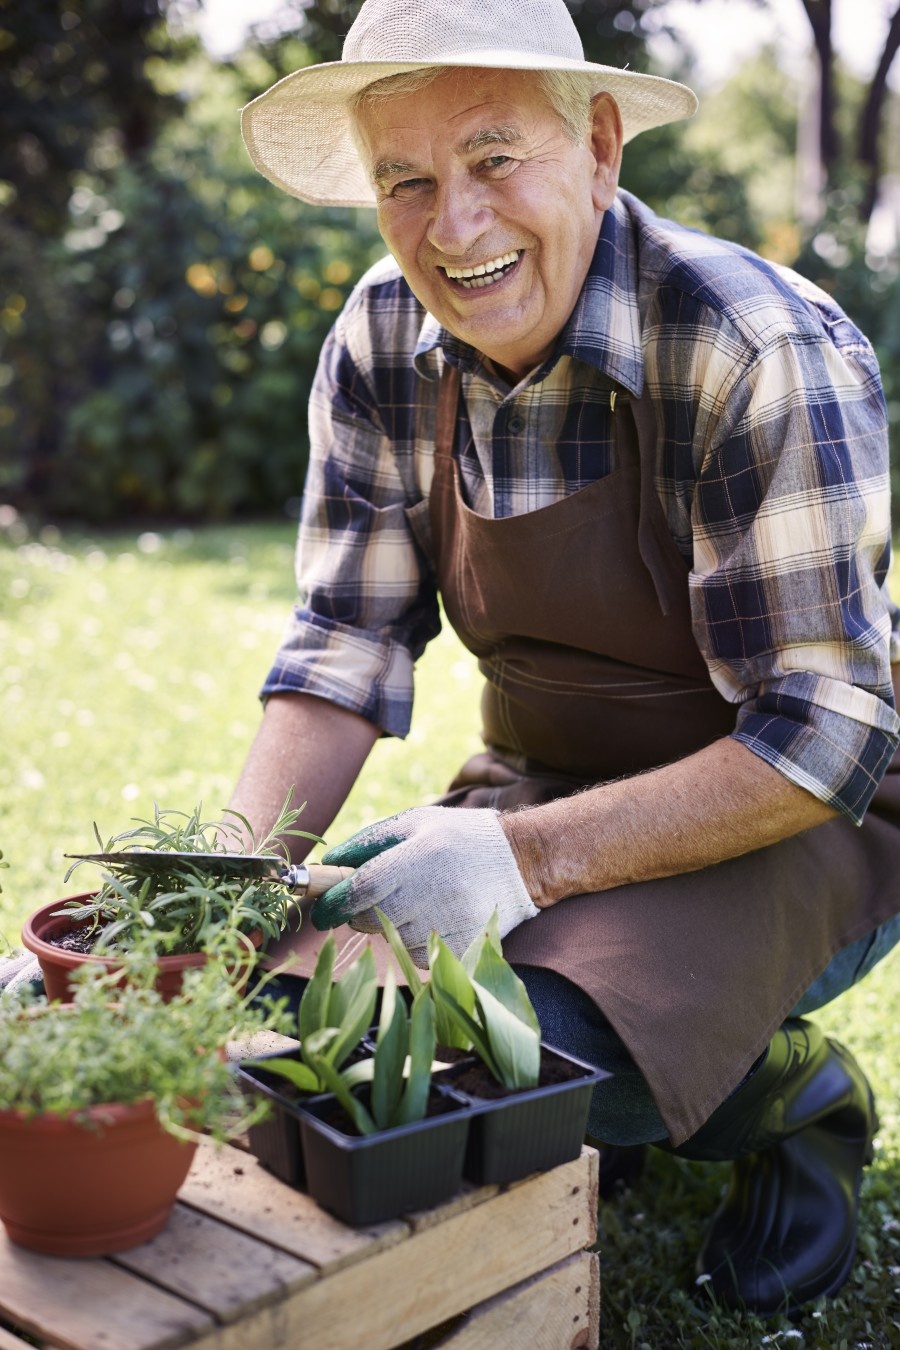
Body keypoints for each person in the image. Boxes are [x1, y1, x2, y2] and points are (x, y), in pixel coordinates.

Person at [232, 0, 900, 1315]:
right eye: (406, 181)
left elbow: (825, 734)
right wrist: (219, 882)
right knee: (312, 1016)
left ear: (599, 145)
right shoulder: (379, 341)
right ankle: (614, 1088)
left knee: (527, 1046)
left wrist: (518, 862)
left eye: (493, 159)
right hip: (534, 789)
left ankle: (793, 1096)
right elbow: (345, 642)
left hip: (798, 823)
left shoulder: (750, 342)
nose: (454, 227)